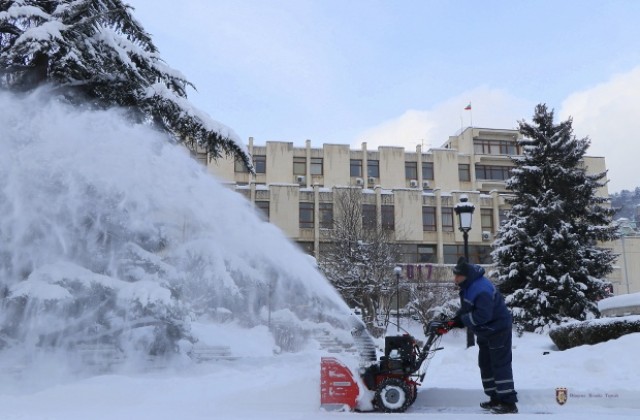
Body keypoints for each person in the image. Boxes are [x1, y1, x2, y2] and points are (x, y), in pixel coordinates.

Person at [447, 256, 518, 414]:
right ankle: (495, 398)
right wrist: (453, 321)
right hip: (486, 331)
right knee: (485, 364)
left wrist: (462, 321)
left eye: (457, 276)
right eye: (455, 275)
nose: (455, 278)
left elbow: (482, 316)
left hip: (497, 329)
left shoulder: (481, 289)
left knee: (500, 365)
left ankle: (508, 403)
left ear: (466, 275)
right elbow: (467, 309)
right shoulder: (469, 286)